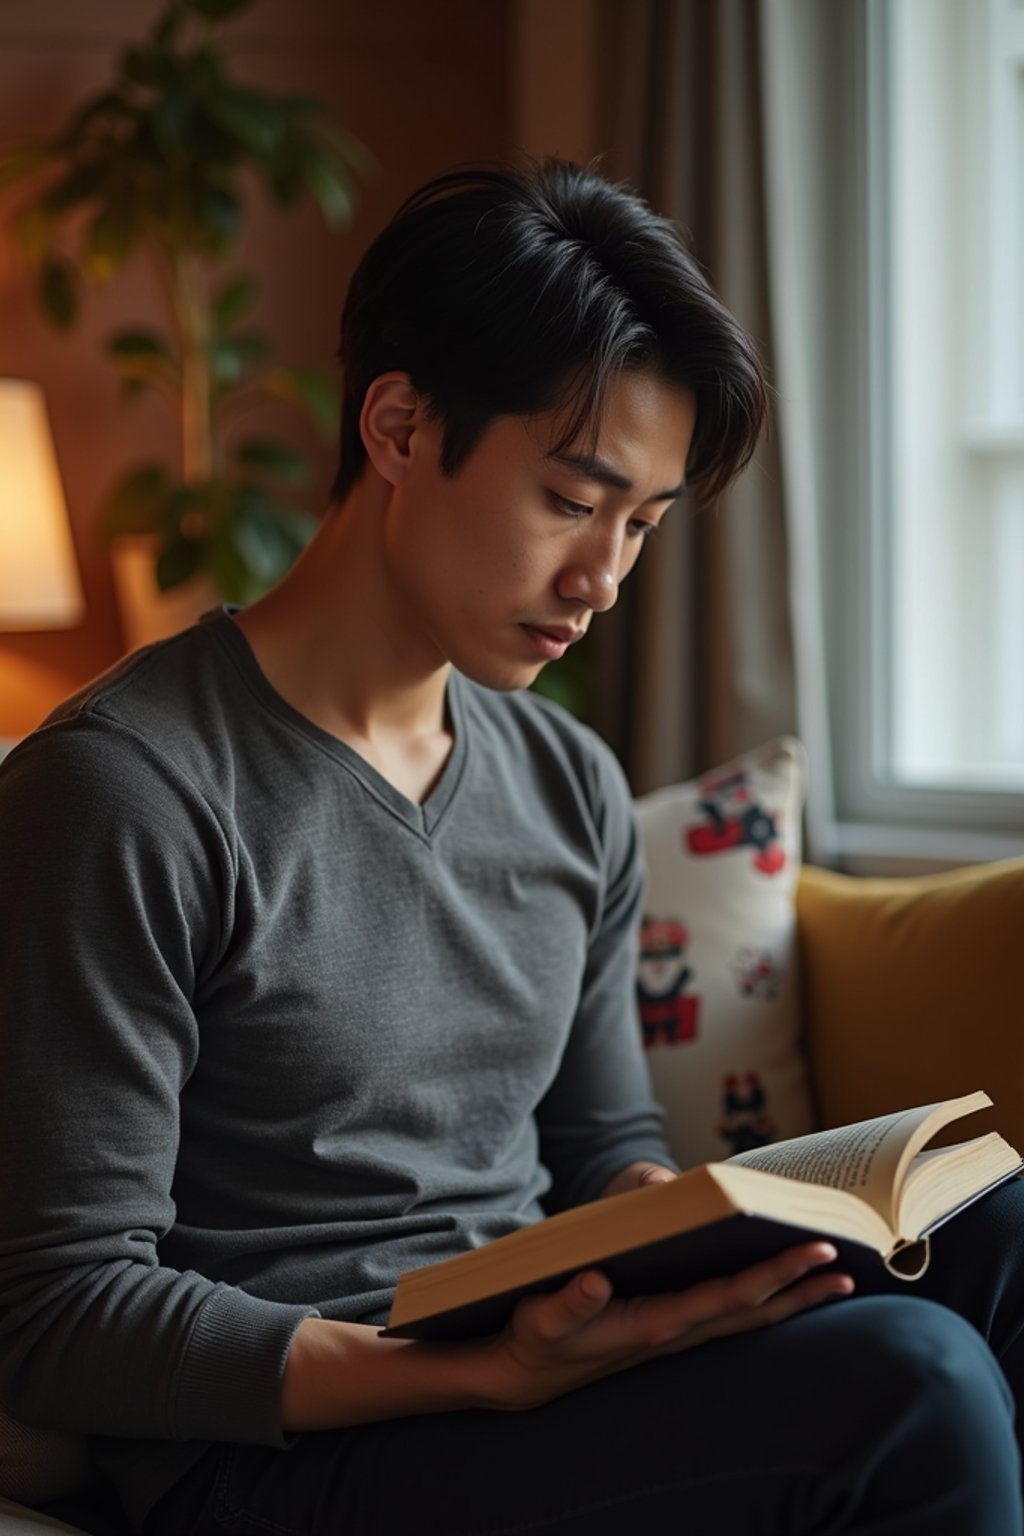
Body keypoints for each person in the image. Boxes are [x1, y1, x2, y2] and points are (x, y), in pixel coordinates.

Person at [1, 158, 1023, 1536]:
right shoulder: (125, 789)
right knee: (908, 1383)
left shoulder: (567, 784)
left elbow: (600, 1143)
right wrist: (465, 1372)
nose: (603, 579)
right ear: (400, 426)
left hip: (540, 1367)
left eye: (643, 526)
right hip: (286, 1451)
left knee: (1001, 1239)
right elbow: (61, 1309)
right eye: (571, 501)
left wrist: (696, 1232)